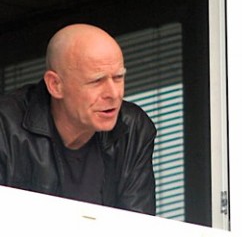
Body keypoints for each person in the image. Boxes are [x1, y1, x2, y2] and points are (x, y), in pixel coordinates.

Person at [0, 23, 157, 215]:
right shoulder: (5, 127)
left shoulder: (134, 129)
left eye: (118, 78)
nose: (113, 94)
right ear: (55, 85)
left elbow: (139, 228)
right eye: (97, 81)